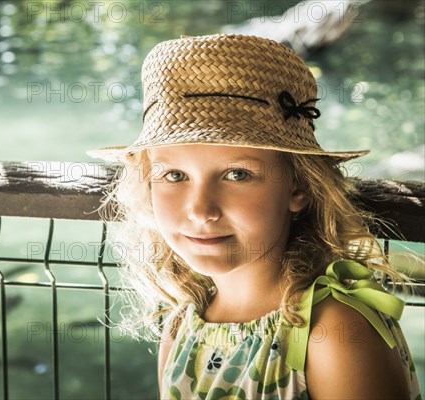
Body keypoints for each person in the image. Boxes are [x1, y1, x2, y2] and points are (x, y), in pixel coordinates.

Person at [87, 34, 421, 399]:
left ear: (299, 189)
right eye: (174, 175)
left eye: (237, 174)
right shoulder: (182, 324)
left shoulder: (333, 332)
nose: (200, 210)